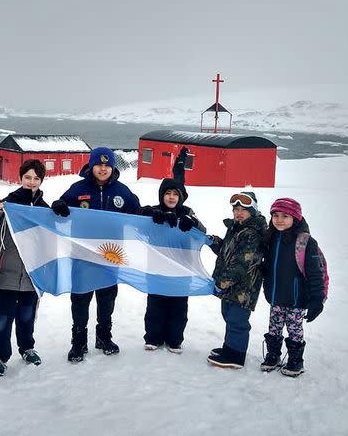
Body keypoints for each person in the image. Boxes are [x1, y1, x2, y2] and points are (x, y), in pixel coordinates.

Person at [51, 147, 141, 362]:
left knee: (107, 299)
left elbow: (139, 215)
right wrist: (58, 205)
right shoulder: (77, 188)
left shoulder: (122, 191)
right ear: (91, 166)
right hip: (82, 256)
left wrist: (155, 214)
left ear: (112, 167)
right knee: (81, 299)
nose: (103, 168)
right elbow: (58, 212)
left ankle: (104, 337)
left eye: (107, 165)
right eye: (99, 165)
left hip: (111, 256)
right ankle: (78, 343)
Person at [0, 159, 49, 376]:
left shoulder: (43, 209)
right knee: (3, 318)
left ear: (41, 180)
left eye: (36, 178)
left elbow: (51, 239)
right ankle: (0, 356)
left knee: (26, 317)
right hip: (8, 275)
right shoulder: (8, 204)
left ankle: (27, 348)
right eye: (28, 177)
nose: (31, 182)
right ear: (21, 178)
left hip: (32, 276)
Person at [138, 178, 205, 353]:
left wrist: (193, 222)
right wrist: (149, 214)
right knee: (155, 306)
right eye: (167, 193)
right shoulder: (155, 212)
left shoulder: (188, 212)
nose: (171, 197)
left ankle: (175, 339)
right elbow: (138, 223)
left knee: (178, 308)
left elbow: (202, 232)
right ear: (161, 196)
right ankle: (153, 337)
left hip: (181, 270)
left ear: (182, 197)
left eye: (176, 194)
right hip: (156, 269)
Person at [260, 198, 325, 377]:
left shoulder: (306, 242)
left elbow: (315, 273)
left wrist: (317, 299)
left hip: (296, 299)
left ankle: (296, 361)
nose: (279, 220)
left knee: (295, 330)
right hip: (275, 296)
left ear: (295, 218)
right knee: (274, 328)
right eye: (275, 215)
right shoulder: (270, 238)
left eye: (285, 216)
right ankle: (273, 356)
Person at [206, 192, 267, 369]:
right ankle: (229, 348)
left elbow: (241, 263)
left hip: (244, 287)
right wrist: (214, 242)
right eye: (236, 209)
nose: (239, 213)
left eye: (244, 210)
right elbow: (227, 253)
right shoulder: (236, 228)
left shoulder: (253, 234)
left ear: (253, 212)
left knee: (237, 320)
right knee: (228, 315)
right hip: (231, 286)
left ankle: (236, 355)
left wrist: (222, 283)